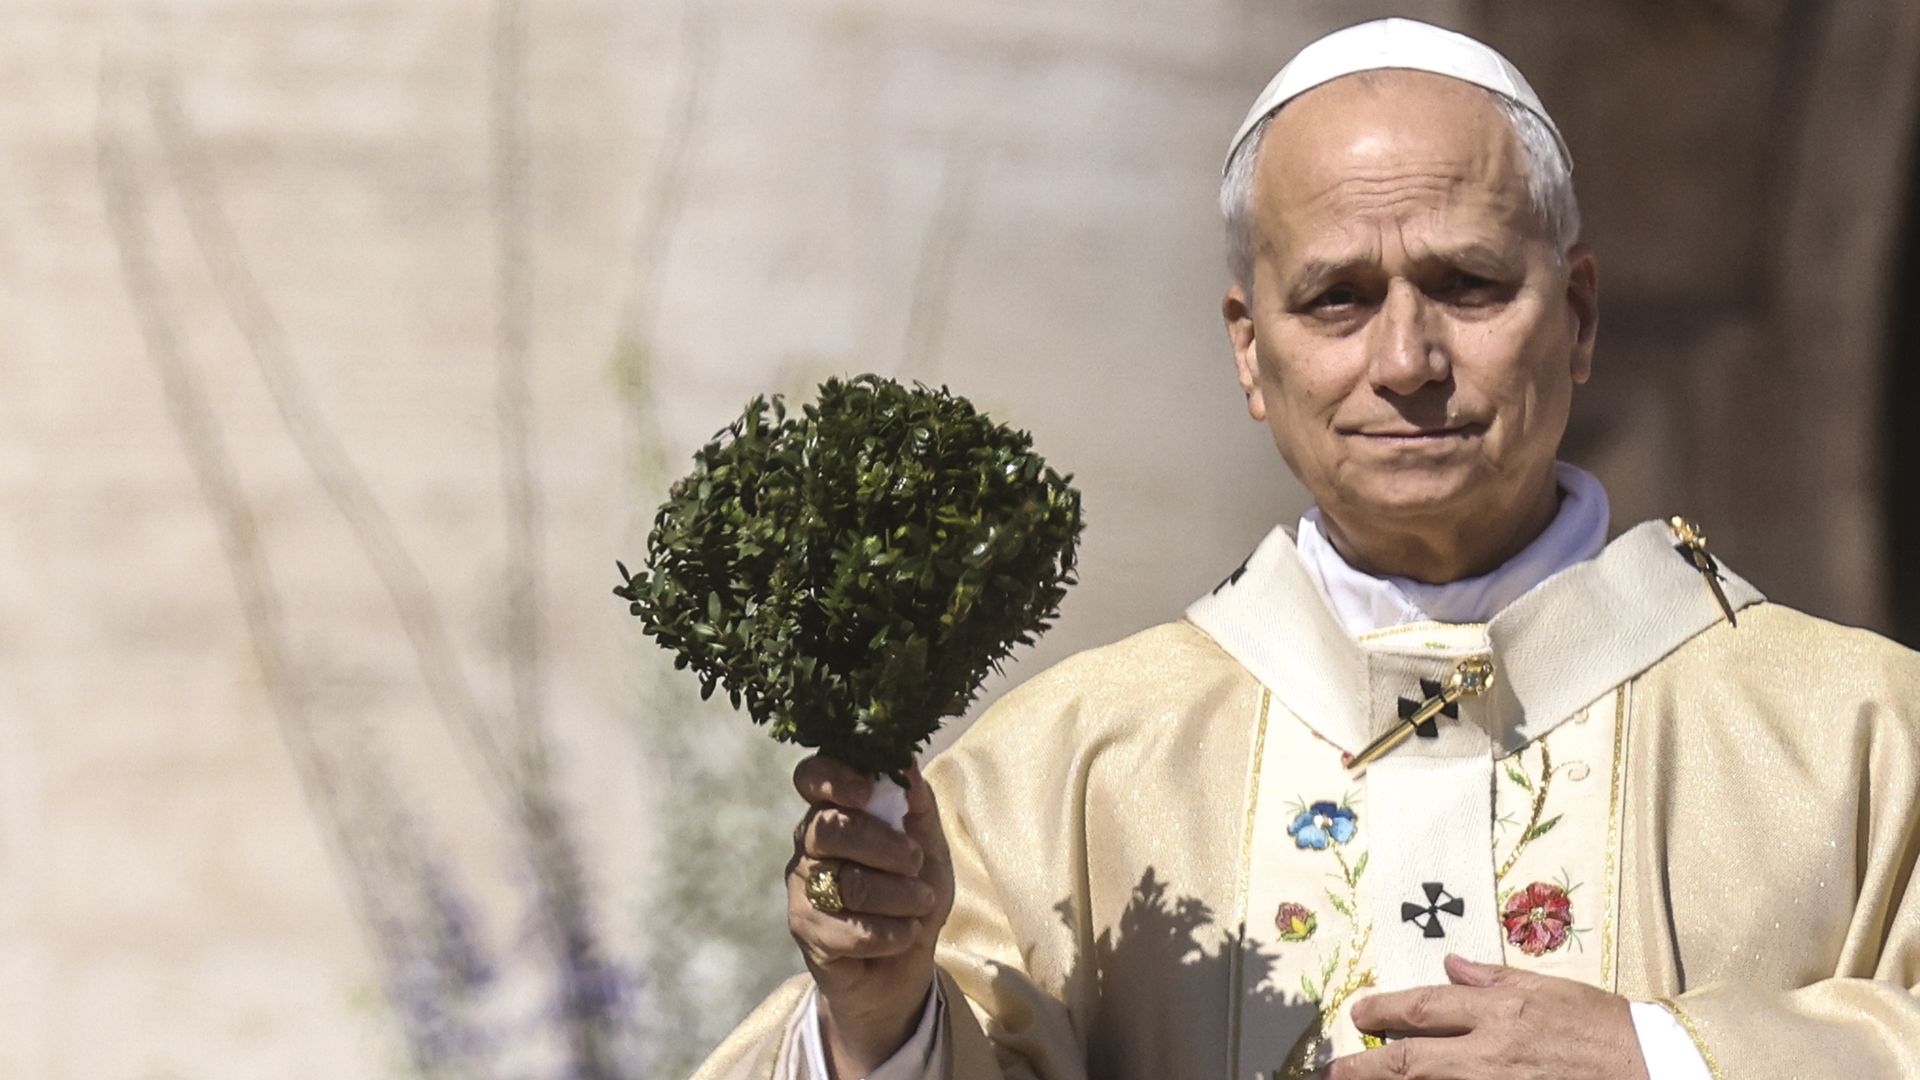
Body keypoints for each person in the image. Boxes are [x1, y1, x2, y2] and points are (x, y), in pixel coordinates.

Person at [695, 18, 1920, 1080]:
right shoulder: (1069, 771)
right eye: (1338, 298)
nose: (1405, 362)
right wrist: (881, 1013)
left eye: (1470, 284)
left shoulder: (1862, 731)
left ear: (1580, 315)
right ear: (1248, 350)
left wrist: (1659, 1058)